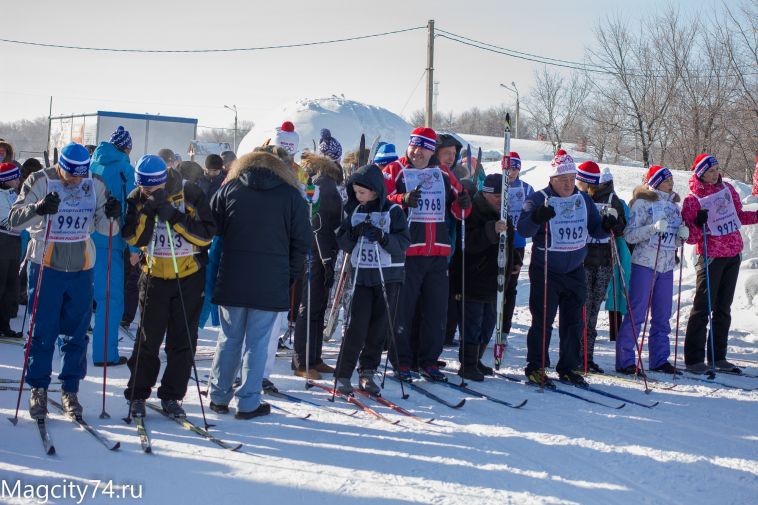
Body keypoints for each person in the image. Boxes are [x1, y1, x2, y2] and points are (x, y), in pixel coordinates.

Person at [10, 142, 121, 418]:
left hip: (82, 267)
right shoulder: (40, 180)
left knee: (77, 333)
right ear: (60, 167)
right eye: (71, 174)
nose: (76, 180)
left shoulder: (94, 183)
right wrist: (38, 208)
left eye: (81, 174)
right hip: (46, 264)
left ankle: (70, 389)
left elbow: (108, 230)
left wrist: (112, 216)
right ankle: (38, 389)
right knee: (42, 331)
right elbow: (13, 220)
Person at [208, 151, 310, 419]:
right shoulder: (291, 196)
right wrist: (287, 275)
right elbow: (302, 243)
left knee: (229, 339)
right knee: (258, 343)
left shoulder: (230, 189)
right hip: (271, 280)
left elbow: (210, 228)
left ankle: (219, 396)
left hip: (232, 277)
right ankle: (249, 401)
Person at [122, 155, 215, 419]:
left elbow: (206, 235)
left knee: (183, 339)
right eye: (143, 187)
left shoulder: (191, 192)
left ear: (163, 180)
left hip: (188, 275)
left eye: (151, 188)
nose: (146, 192)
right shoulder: (136, 197)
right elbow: (133, 236)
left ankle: (172, 396)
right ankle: (138, 394)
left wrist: (173, 216)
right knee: (148, 339)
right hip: (153, 275)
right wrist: (149, 211)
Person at [517, 150, 614, 386]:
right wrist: (538, 217)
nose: (569, 184)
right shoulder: (539, 199)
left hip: (575, 270)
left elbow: (596, 230)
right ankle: (536, 366)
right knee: (543, 320)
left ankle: (569, 367)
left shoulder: (583, 199)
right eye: (563, 180)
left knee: (573, 322)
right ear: (552, 178)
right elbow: (523, 230)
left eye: (572, 179)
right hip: (547, 269)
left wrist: (608, 225)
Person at [382, 127, 471, 381]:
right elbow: (380, 199)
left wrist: (463, 203)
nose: (418, 152)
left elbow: (461, 211)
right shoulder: (395, 170)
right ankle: (401, 360)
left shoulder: (443, 173)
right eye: (414, 147)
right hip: (407, 252)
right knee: (404, 309)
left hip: (438, 252)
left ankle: (429, 360)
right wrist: (402, 198)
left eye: (424, 148)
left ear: (433, 150)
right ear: (408, 146)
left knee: (435, 311)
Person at [334, 163, 410, 393]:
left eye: (362, 192)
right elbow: (344, 242)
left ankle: (367, 372)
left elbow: (403, 243)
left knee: (378, 328)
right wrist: (353, 234)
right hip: (362, 278)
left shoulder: (394, 212)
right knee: (356, 326)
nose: (357, 197)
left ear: (376, 191)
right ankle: (343, 374)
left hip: (388, 278)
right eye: (355, 192)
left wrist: (382, 237)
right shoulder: (355, 212)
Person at [682, 154, 758, 374]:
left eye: (717, 168)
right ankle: (694, 359)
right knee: (703, 307)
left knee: (723, 308)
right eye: (711, 170)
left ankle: (718, 356)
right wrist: (698, 223)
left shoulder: (728, 190)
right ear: (700, 173)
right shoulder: (693, 199)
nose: (715, 173)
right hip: (711, 256)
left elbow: (739, 216)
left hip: (733, 253)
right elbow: (690, 237)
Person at [615, 166, 688, 374]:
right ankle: (625, 360)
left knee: (663, 315)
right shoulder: (642, 203)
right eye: (666, 181)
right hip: (644, 263)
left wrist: (681, 236)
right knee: (636, 313)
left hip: (666, 265)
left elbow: (672, 238)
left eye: (672, 180)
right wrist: (652, 229)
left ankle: (659, 359)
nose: (671, 184)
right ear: (655, 182)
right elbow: (629, 235)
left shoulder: (674, 206)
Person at [450, 173, 513, 381]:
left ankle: (476, 359)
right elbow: (467, 243)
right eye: (496, 196)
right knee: (472, 324)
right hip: (471, 279)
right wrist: (491, 230)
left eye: (503, 196)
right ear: (485, 194)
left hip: (493, 280)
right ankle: (467, 364)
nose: (500, 200)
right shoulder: (472, 211)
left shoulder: (503, 213)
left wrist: (513, 263)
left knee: (488, 325)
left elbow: (509, 246)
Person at [89, 126, 137, 366]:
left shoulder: (91, 164)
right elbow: (132, 209)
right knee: (110, 299)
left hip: (83, 240)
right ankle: (105, 354)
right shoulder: (125, 168)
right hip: (111, 241)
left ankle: (66, 347)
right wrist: (136, 249)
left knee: (80, 296)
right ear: (126, 147)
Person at [293, 154, 344, 379]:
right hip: (317, 254)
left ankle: (313, 357)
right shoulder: (323, 186)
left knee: (316, 308)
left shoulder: (324, 186)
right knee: (311, 307)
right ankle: (303, 361)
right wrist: (326, 259)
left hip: (320, 253)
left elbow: (321, 225)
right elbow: (317, 226)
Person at [574, 161, 627, 373]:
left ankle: (587, 357)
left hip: (604, 260)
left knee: (594, 310)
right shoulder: (577, 197)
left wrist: (614, 223)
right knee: (582, 310)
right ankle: (575, 355)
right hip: (583, 260)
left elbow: (622, 228)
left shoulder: (613, 199)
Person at [499, 152, 533, 343]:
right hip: (497, 241)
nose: (510, 172)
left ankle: (504, 330)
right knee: (495, 285)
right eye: (507, 168)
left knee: (510, 287)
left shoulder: (527, 189)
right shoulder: (496, 185)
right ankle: (492, 325)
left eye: (514, 168)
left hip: (517, 244)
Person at [0, 162, 23, 338]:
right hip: (3, 242)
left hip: (14, 244)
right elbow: (7, 221)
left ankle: (5, 324)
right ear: (7, 179)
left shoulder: (15, 195)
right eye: (15, 177)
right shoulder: (1, 196)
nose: (18, 179)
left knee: (11, 286)